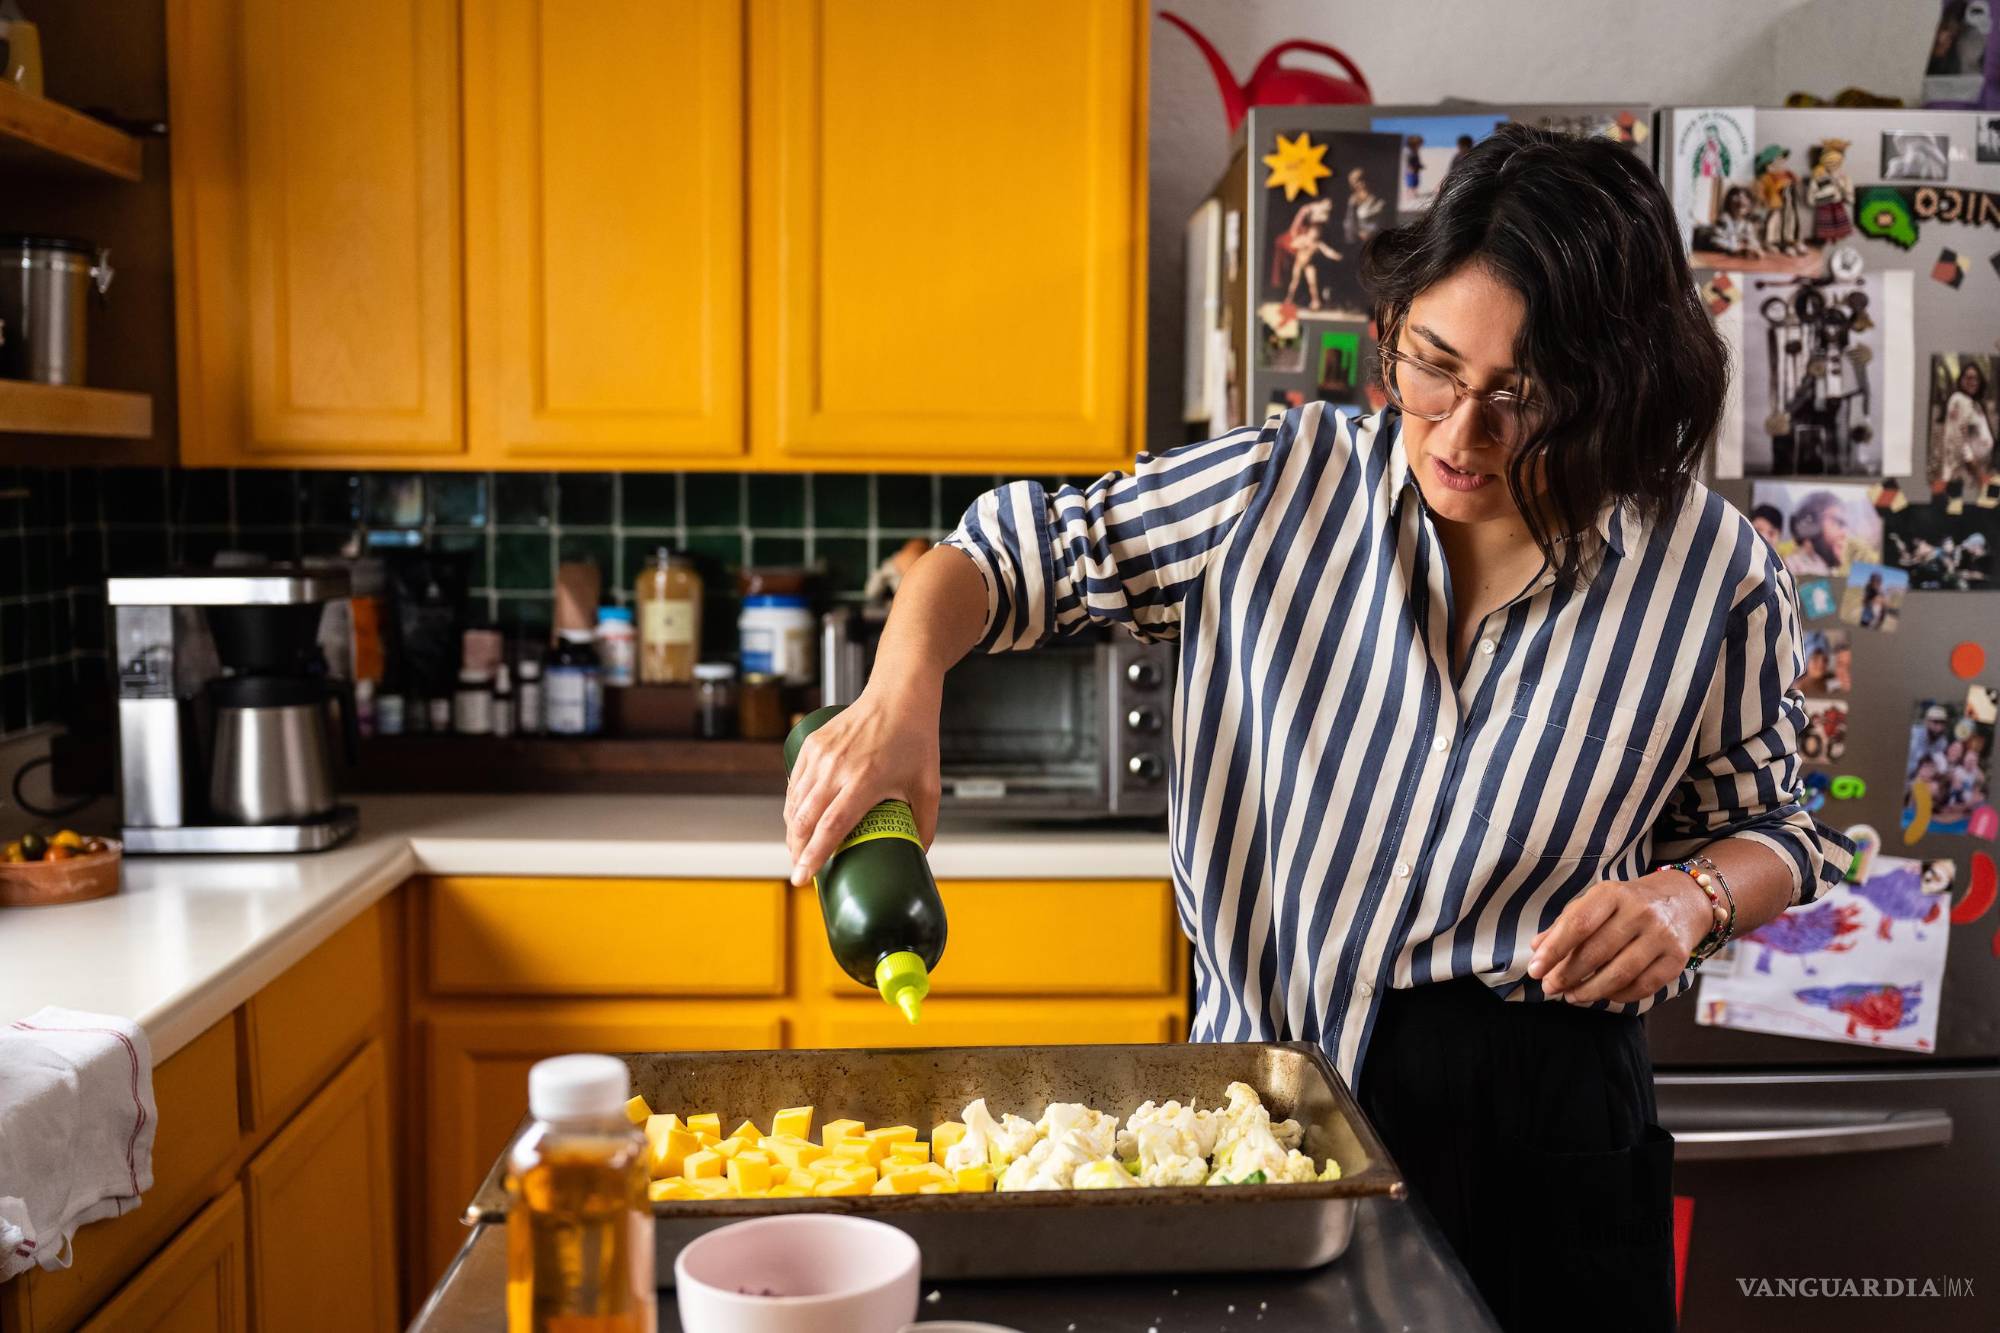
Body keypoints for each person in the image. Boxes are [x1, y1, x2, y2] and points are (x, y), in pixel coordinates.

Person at [783, 125, 1848, 1333]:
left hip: (1545, 1114)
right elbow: (996, 557)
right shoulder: (1272, 488)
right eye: (1431, 366)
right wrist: (897, 695)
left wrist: (1691, 897)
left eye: (1523, 397)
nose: (1458, 435)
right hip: (1260, 1110)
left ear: (1618, 383)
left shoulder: (1710, 571)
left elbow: (1774, 826)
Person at [1939, 361, 1995, 499]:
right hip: (1963, 473)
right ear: (1961, 380)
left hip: (1977, 471)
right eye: (1968, 377)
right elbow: (1957, 439)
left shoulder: (1975, 403)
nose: (1973, 382)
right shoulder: (1958, 400)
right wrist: (1975, 468)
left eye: (1976, 378)